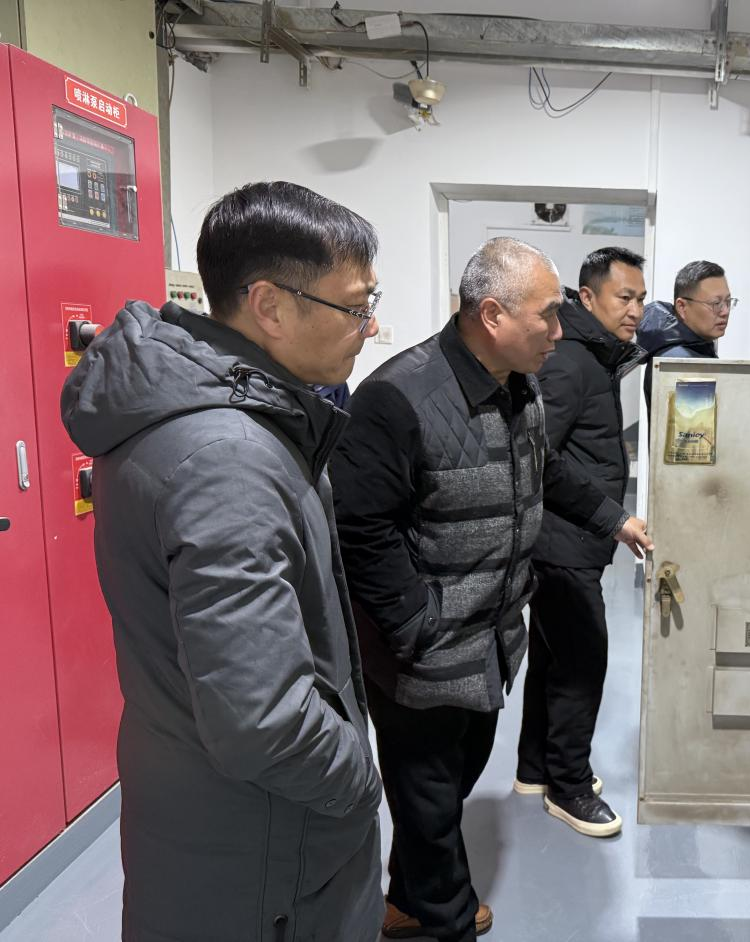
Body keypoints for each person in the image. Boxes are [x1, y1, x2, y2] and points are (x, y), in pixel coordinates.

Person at [60, 181, 385, 942]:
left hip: (208, 815)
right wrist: (361, 782)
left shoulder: (217, 417)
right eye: (354, 306)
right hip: (265, 851)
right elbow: (264, 721)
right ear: (269, 305)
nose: (369, 326)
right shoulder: (228, 459)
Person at [330, 237, 652, 941]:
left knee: (452, 782)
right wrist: (414, 626)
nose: (559, 332)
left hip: (489, 640)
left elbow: (546, 471)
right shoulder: (397, 397)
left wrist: (614, 518)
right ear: (492, 315)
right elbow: (359, 528)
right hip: (422, 652)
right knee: (429, 800)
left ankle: (405, 902)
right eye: (547, 315)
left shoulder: (516, 385)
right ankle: (445, 919)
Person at [514, 247, 648, 838]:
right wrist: (610, 518)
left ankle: (535, 768)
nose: (635, 310)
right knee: (582, 663)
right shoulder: (570, 361)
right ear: (587, 297)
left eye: (641, 298)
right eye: (624, 297)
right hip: (561, 543)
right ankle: (568, 788)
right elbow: (541, 455)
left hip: (570, 541)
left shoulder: (591, 354)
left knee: (553, 657)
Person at [636, 259, 735, 417]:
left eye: (728, 302)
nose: (725, 311)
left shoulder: (692, 348)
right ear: (682, 307)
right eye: (716, 303)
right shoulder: (681, 363)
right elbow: (693, 431)